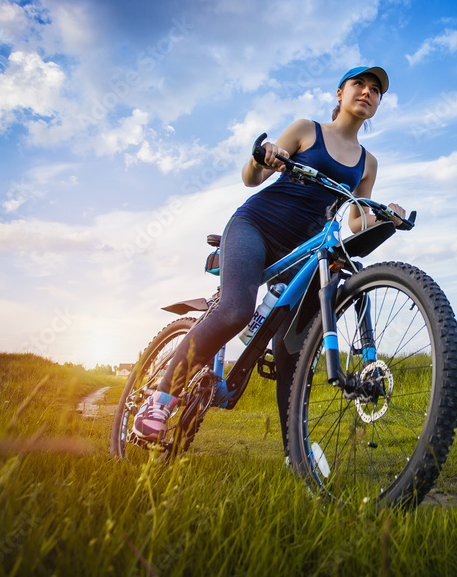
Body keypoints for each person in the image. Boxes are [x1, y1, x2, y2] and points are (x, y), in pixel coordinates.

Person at [133, 66, 405, 454]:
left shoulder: (367, 163)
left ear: (378, 103)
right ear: (340, 93)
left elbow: (357, 219)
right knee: (234, 310)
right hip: (255, 226)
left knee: (291, 355)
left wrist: (385, 217)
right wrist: (264, 156)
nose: (367, 92)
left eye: (375, 90)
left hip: (304, 251)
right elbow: (251, 177)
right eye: (359, 84)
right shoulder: (306, 130)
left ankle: (296, 454)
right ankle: (158, 404)